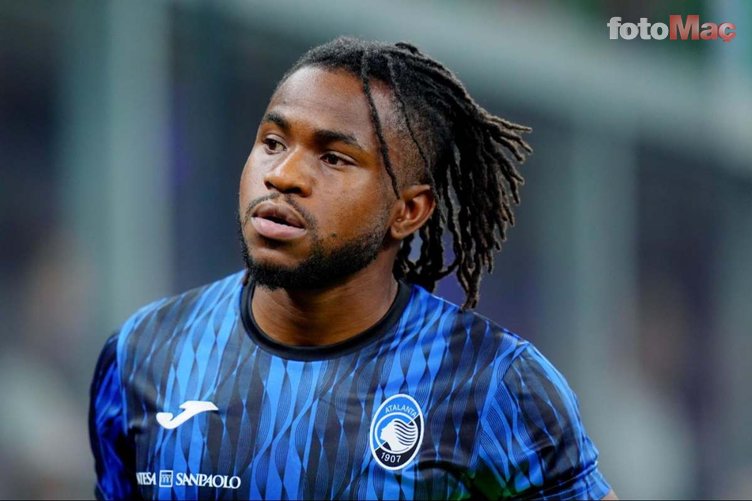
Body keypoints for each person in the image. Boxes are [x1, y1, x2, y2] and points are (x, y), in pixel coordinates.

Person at [89, 37, 616, 500]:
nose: (283, 175)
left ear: (408, 211)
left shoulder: (495, 384)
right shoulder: (143, 354)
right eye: (273, 143)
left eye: (334, 158)